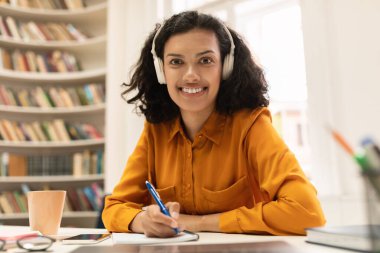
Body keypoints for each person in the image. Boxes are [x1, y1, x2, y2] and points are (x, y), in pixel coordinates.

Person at [102, 10, 325, 237]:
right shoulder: (156, 130)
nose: (191, 75)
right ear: (161, 71)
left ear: (225, 67)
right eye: (176, 62)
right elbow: (114, 208)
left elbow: (307, 213)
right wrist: (141, 221)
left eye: (205, 60)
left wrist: (198, 223)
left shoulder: (251, 125)